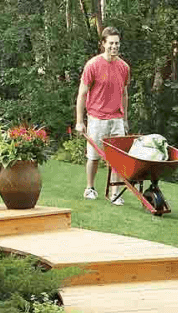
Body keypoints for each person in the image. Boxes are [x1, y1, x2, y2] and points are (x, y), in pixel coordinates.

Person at [75, 26, 130, 205]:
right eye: (111, 43)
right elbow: (82, 93)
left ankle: (115, 193)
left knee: (118, 158)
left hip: (116, 119)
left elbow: (124, 94)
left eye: (117, 43)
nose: (114, 47)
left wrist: (125, 119)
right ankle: (90, 188)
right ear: (103, 44)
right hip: (97, 118)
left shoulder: (124, 67)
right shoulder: (93, 65)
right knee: (93, 156)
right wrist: (79, 121)